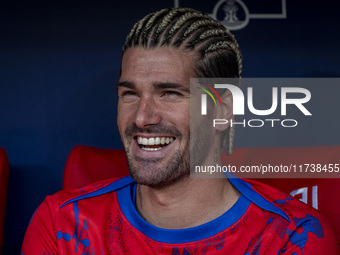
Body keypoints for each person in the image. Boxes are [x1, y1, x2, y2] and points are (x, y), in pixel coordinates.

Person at [21, 7, 337, 254]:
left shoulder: (295, 237)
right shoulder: (63, 225)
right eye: (130, 94)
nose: (142, 118)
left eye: (169, 93)